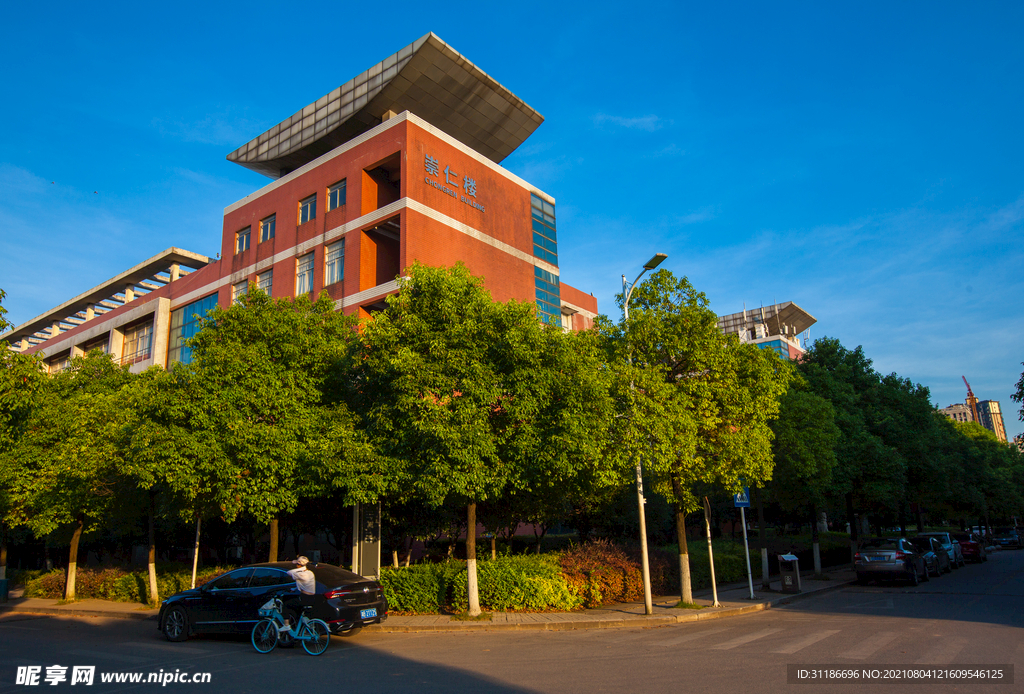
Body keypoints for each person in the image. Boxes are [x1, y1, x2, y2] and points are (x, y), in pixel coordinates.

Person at [280, 556, 316, 633]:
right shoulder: (310, 573)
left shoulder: (301, 574)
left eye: (297, 564)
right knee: (297, 609)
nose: (296, 566)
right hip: (312, 598)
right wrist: (294, 589)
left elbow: (289, 572)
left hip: (304, 598)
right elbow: (304, 585)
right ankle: (304, 627)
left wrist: (302, 568)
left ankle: (286, 625)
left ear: (299, 565)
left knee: (286, 605)